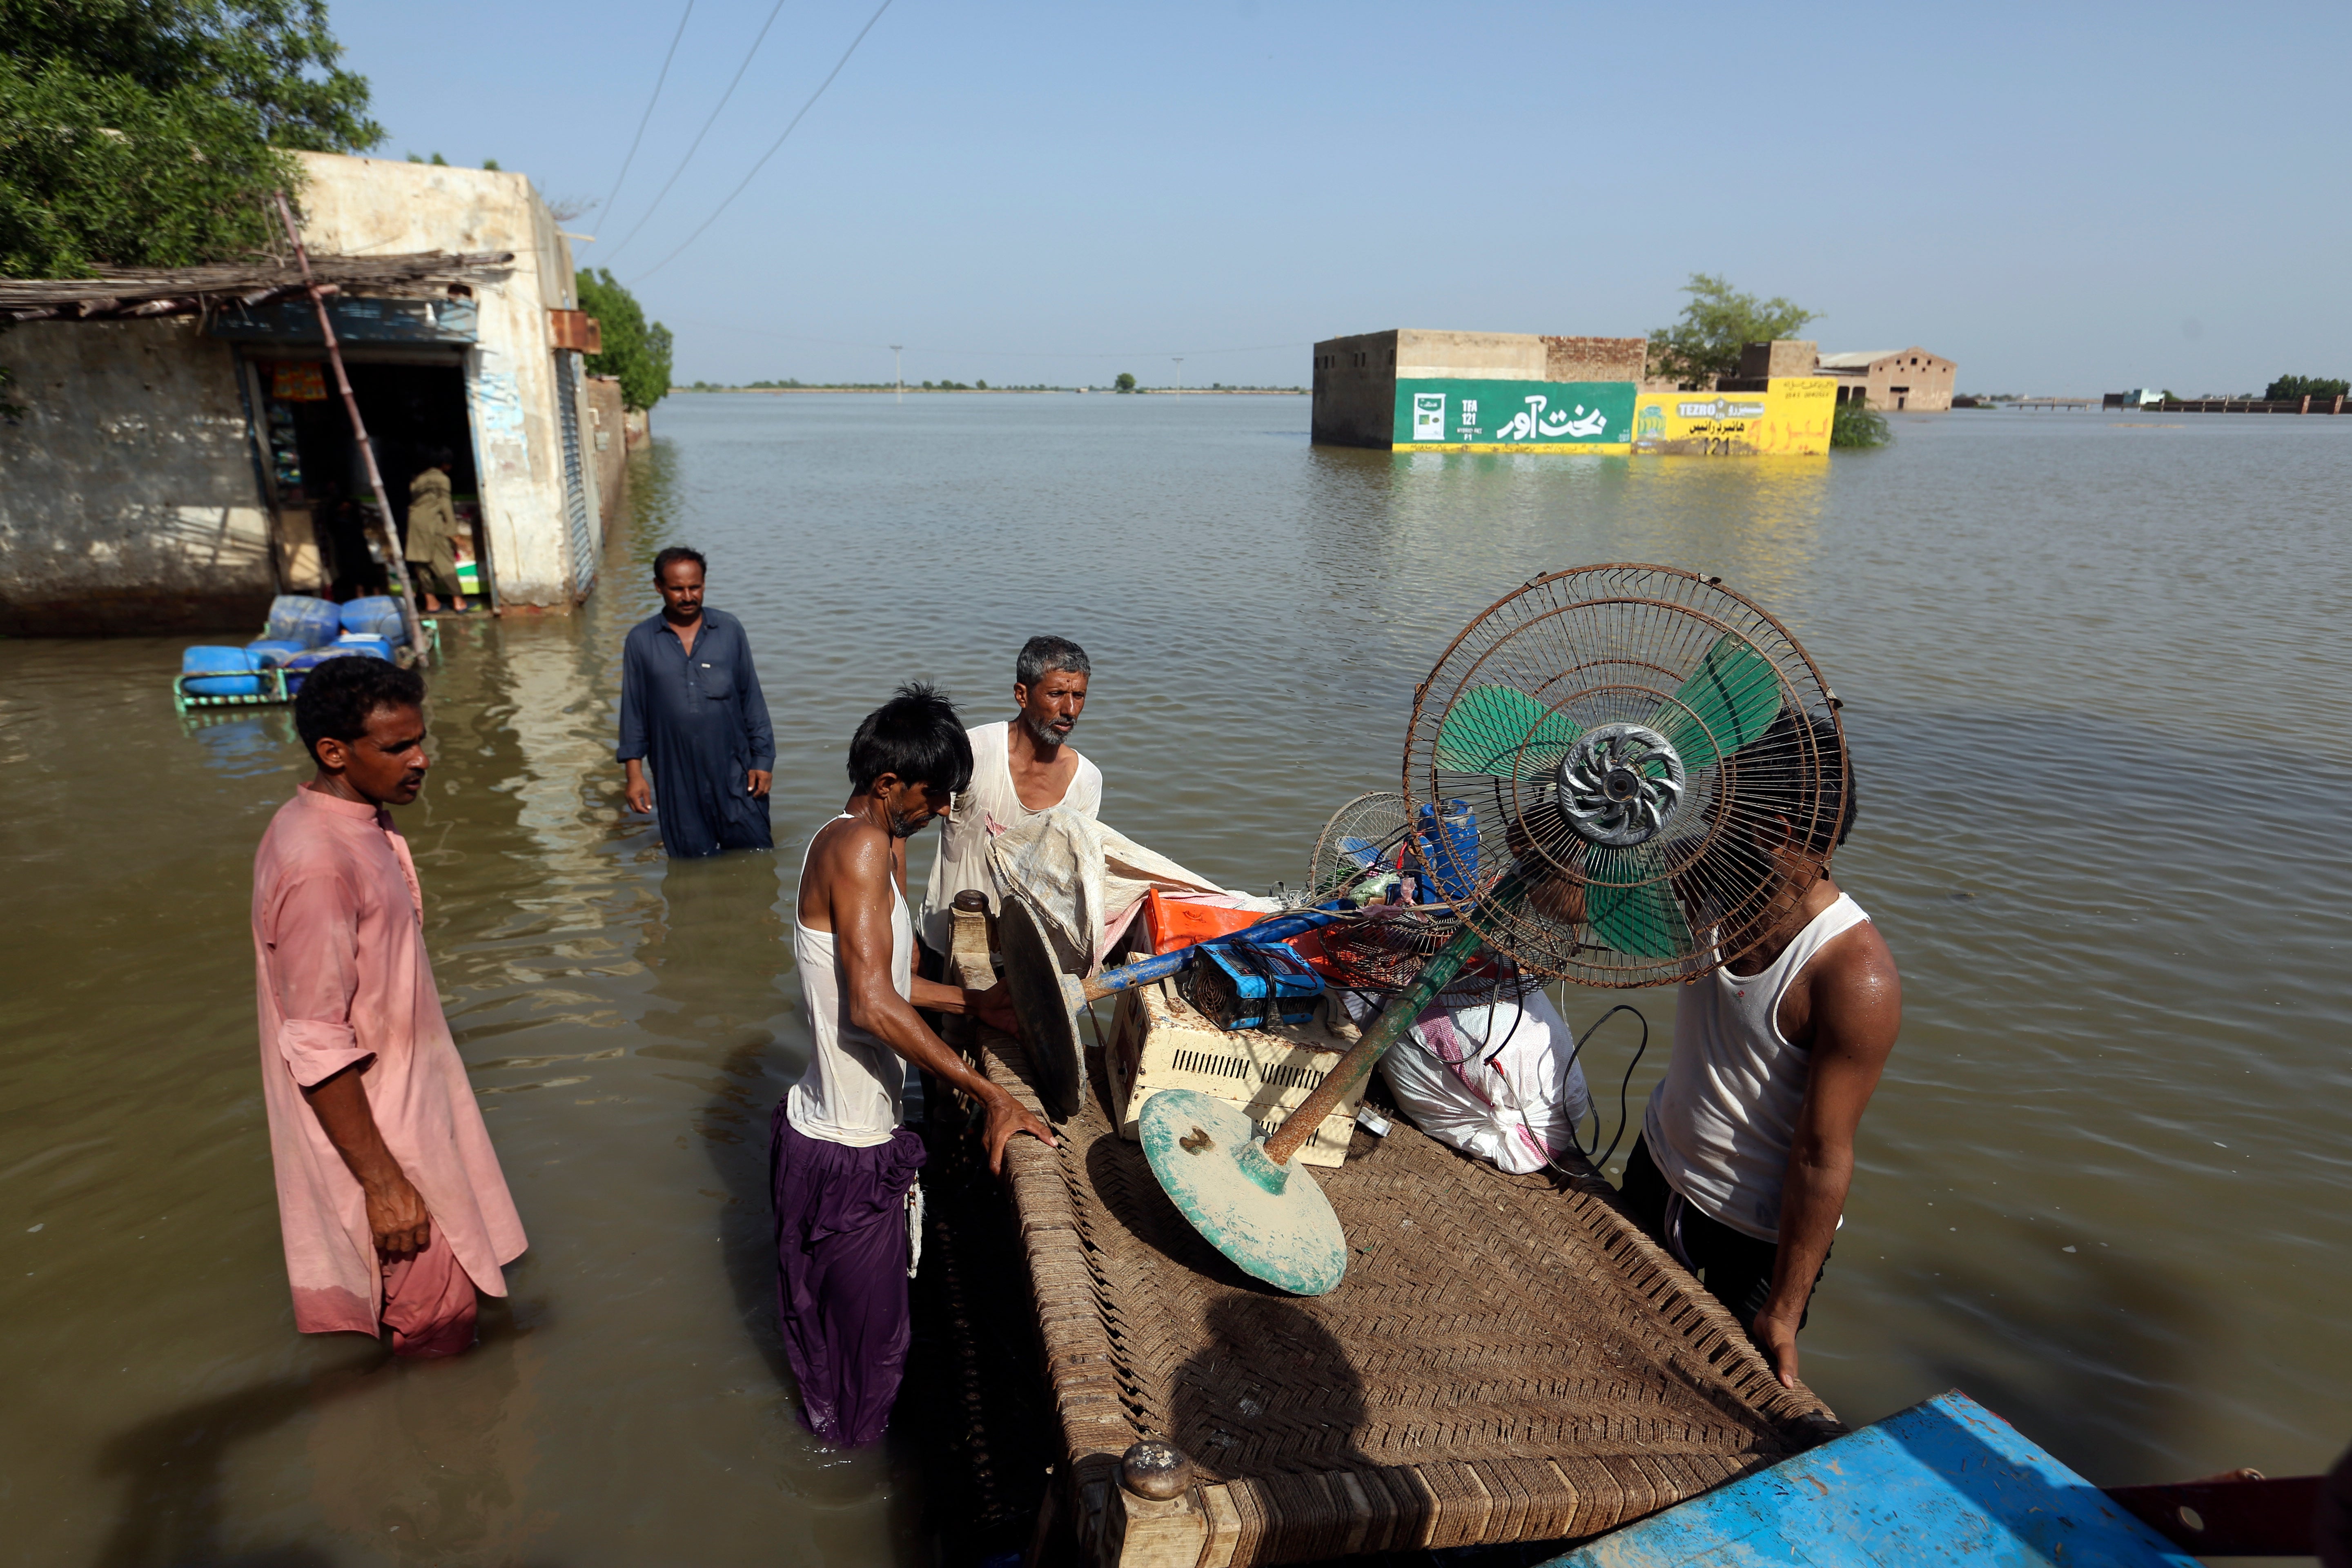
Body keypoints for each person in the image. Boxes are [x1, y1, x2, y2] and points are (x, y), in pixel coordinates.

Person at [777, 682, 1054, 1446]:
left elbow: (887, 984)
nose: (939, 814)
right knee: (870, 1362)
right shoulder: (864, 846)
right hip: (847, 1152)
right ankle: (842, 1494)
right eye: (935, 799)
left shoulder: (845, 839)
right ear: (890, 784)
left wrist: (978, 1006)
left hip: (823, 1137)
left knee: (831, 1352)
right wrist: (986, 1090)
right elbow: (871, 1006)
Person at [1617, 710, 1902, 1389]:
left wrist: (1783, 1309)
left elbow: (1822, 1155)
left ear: (1772, 833)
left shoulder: (1853, 976)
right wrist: (1575, 824)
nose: (1705, 820)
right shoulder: (1707, 877)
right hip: (1659, 1169)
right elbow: (1575, 903)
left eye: (1721, 808)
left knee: (1708, 1401)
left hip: (1758, 1239)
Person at [252, 656, 527, 1356]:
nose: (422, 759)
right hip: (391, 1150)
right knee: (440, 1351)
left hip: (416, 1120)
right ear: (334, 753)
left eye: (419, 740)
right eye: (398, 747)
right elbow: (313, 1040)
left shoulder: (352, 821)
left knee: (448, 1336)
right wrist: (385, 1186)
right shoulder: (318, 863)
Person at [917, 635, 1101, 960]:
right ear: (1022, 695)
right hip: (940, 944)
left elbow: (1072, 878)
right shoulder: (972, 751)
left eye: (1079, 696)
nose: (1070, 710)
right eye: (1057, 694)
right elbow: (901, 822)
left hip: (1020, 959)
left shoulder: (1086, 781)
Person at [617, 547, 775, 858]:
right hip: (674, 775)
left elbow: (752, 699)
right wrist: (635, 776)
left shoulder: (728, 630)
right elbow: (633, 713)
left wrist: (763, 760)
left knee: (755, 854)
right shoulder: (641, 640)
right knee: (690, 863)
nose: (688, 596)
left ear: (704, 583)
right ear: (658, 587)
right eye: (677, 589)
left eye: (695, 587)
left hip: (735, 769)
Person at [403, 448, 468, 613]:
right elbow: (446, 506)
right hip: (433, 524)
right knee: (444, 561)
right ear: (445, 464)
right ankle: (458, 601)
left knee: (422, 564)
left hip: (415, 523)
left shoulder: (419, 479)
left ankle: (431, 602)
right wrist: (454, 533)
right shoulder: (442, 480)